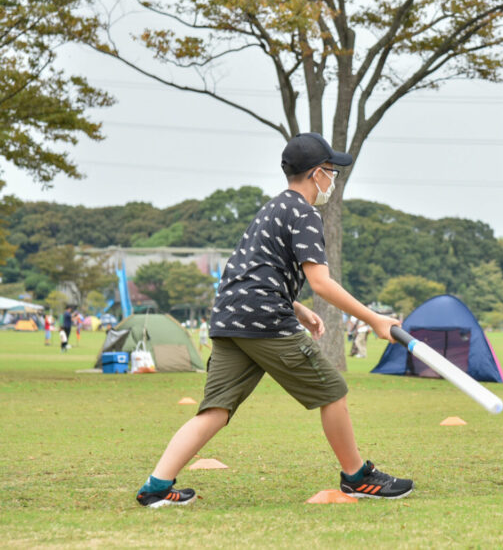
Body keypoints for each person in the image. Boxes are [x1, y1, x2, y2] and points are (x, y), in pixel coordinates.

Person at [134, 132, 412, 508]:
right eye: (331, 171)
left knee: (216, 408)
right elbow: (322, 282)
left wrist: (296, 306)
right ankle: (357, 477)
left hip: (230, 319)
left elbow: (251, 270)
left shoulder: (272, 208)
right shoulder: (306, 214)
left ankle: (156, 486)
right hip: (264, 321)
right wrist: (374, 318)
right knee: (332, 391)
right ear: (317, 174)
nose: (333, 180)